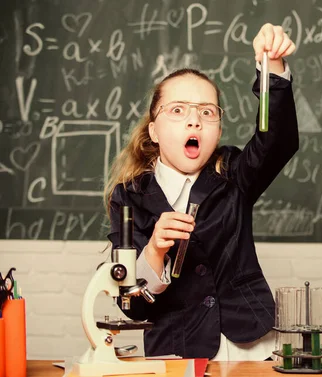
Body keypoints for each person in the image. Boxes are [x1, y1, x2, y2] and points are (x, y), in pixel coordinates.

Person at [103, 23, 298, 360]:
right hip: (175, 352)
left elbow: (277, 141)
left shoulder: (233, 174)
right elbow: (131, 308)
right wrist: (153, 252)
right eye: (178, 110)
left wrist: (272, 70)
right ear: (153, 130)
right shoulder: (128, 197)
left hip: (250, 348)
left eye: (206, 112)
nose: (194, 121)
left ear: (218, 129)